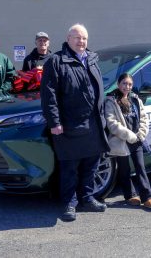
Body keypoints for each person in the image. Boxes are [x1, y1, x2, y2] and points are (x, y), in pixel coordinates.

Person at [40, 23, 109, 222]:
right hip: (69, 125)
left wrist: (102, 117)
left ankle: (87, 198)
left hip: (93, 124)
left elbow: (99, 90)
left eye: (84, 38)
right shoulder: (56, 61)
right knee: (70, 168)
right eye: (77, 37)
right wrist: (54, 122)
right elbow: (49, 95)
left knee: (91, 165)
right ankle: (69, 203)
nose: (81, 41)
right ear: (68, 38)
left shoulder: (93, 58)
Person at [105, 73, 151, 209]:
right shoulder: (111, 101)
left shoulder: (135, 99)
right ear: (118, 84)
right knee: (124, 170)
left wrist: (141, 134)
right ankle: (130, 195)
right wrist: (129, 135)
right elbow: (112, 123)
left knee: (140, 168)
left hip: (137, 139)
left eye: (129, 84)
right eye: (124, 83)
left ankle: (148, 197)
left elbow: (143, 118)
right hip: (121, 140)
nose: (127, 87)